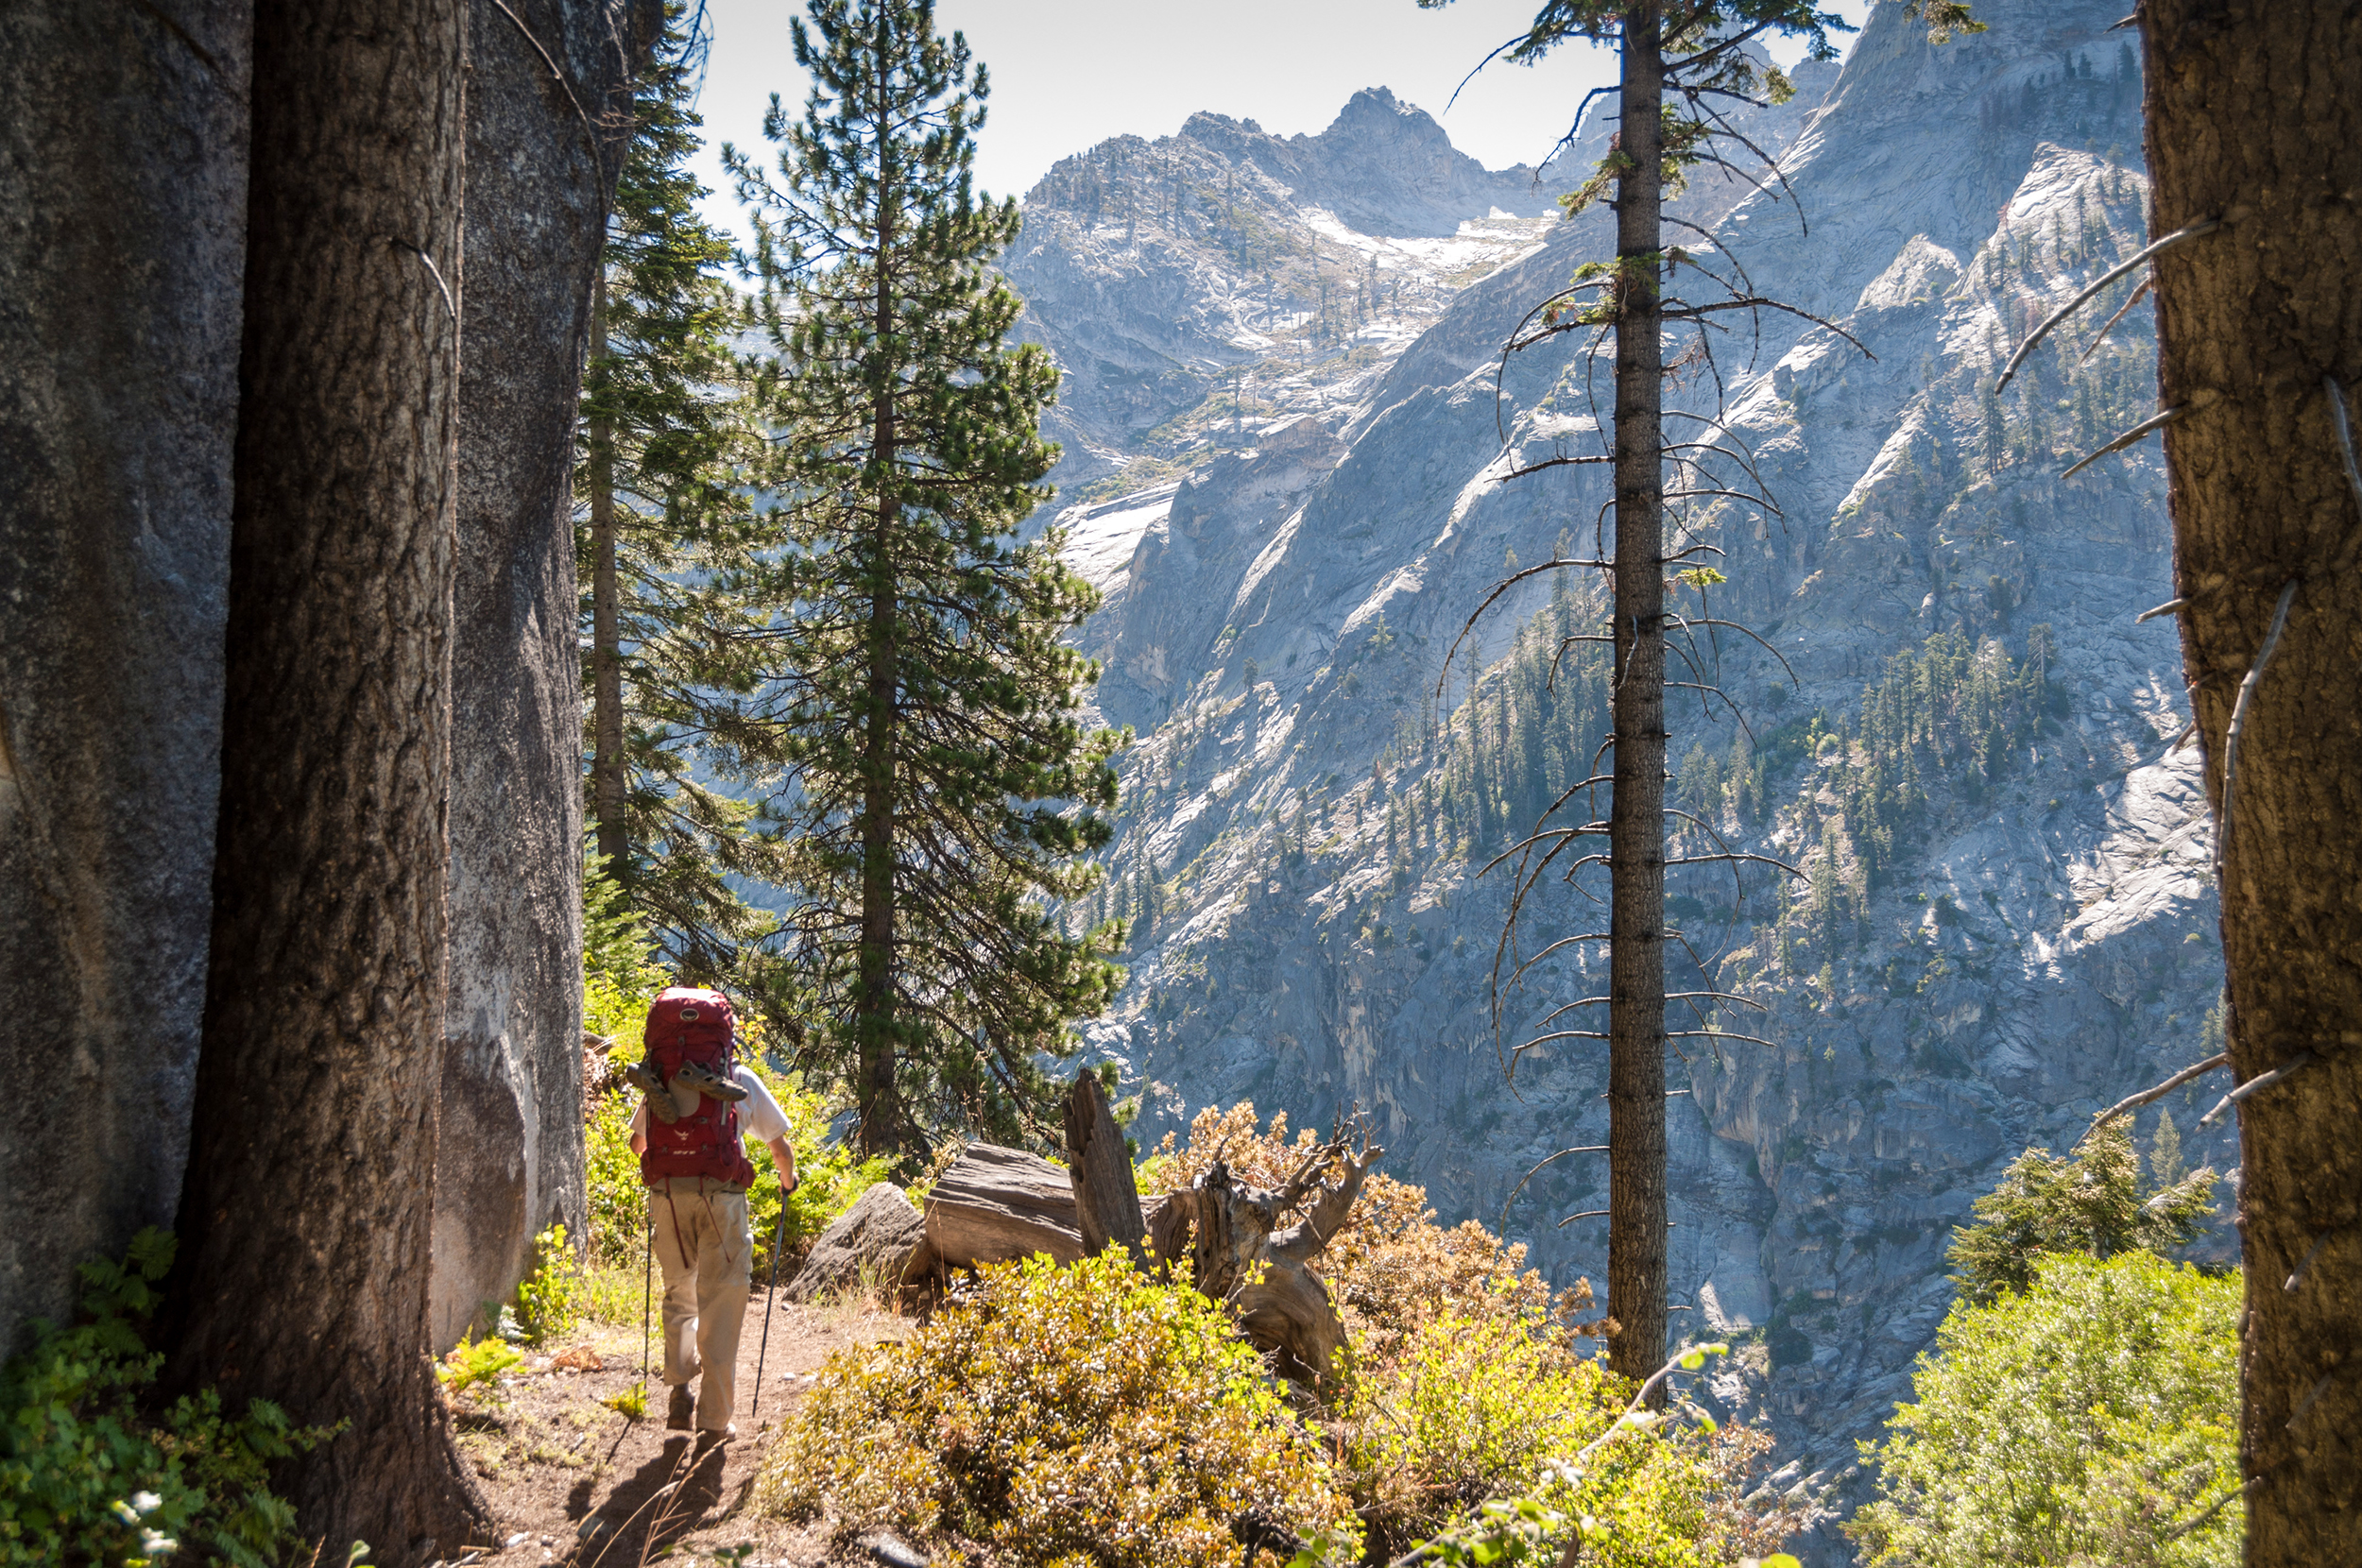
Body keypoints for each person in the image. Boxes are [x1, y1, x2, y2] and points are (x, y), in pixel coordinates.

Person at [627, 1014, 797, 1442]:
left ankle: (679, 1396)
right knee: (722, 1299)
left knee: (678, 1293)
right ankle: (715, 1418)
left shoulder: (660, 1074)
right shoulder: (738, 1078)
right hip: (721, 1201)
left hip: (667, 1197)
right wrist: (787, 1181)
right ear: (725, 1039)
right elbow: (779, 1147)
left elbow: (638, 1144)